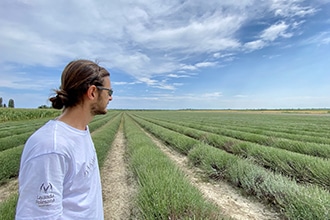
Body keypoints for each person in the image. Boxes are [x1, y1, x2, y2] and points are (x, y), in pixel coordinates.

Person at [16, 59, 113, 219]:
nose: (110, 98)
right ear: (93, 92)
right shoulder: (51, 147)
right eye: (109, 92)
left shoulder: (81, 130)